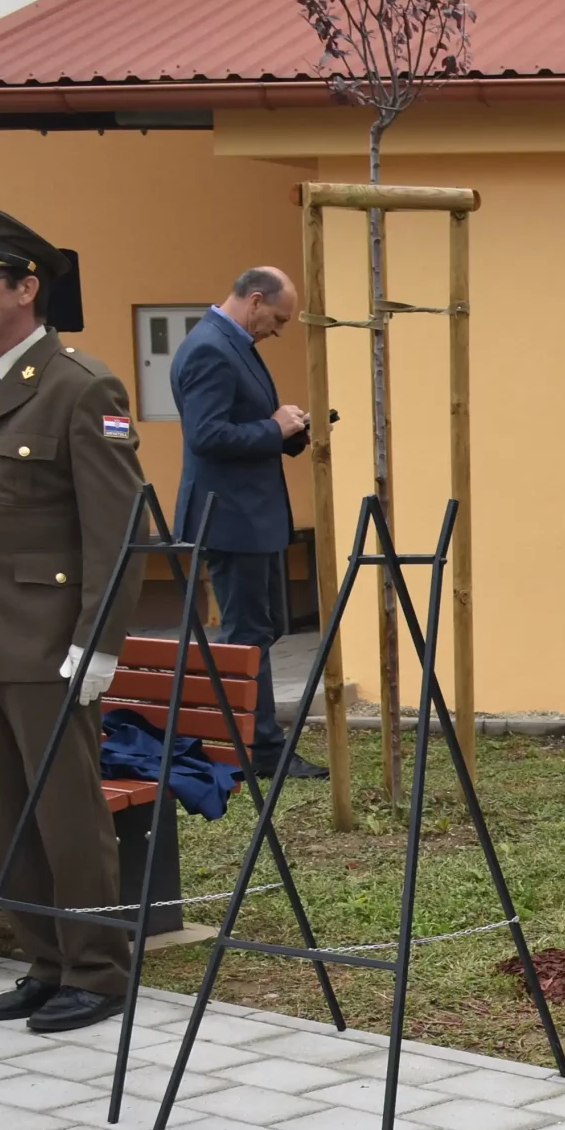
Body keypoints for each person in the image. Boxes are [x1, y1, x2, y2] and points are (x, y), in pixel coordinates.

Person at [0, 203, 149, 1035]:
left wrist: (98, 644)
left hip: (46, 643)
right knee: (3, 815)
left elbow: (118, 531)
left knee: (65, 815)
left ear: (27, 289)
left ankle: (97, 967)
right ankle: (45, 960)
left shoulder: (80, 387)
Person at [172, 266, 319, 778]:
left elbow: (240, 426)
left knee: (265, 626)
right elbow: (206, 435)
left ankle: (249, 738)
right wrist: (273, 428)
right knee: (247, 634)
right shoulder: (210, 349)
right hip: (230, 518)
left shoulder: (233, 344)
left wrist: (289, 432)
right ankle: (258, 750)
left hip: (252, 517)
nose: (278, 330)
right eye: (278, 319)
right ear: (255, 300)